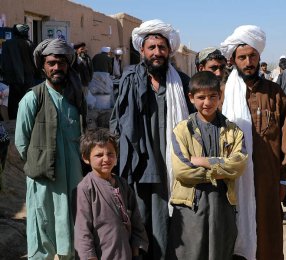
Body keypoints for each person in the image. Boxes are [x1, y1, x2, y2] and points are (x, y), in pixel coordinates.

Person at [109, 19, 195, 260]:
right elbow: (118, 120)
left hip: (173, 165)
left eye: (162, 47)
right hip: (139, 164)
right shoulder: (129, 79)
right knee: (140, 218)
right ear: (142, 50)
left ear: (169, 51)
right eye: (152, 47)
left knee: (170, 221)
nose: (157, 52)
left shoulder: (182, 83)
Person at [220, 25, 286, 260]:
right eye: (242, 57)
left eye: (252, 56)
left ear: (259, 57)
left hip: (268, 182)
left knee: (268, 240)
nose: (248, 61)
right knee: (233, 237)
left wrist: (283, 178)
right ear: (233, 60)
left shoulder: (275, 93)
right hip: (232, 182)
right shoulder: (222, 93)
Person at [15, 38, 87, 259]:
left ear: (68, 66)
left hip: (74, 178)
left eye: (62, 63)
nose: (57, 68)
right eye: (51, 63)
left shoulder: (76, 98)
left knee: (73, 226)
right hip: (44, 178)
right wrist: (41, 160)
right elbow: (21, 143)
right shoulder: (31, 98)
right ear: (43, 66)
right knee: (42, 228)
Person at [167, 71, 248, 260]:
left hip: (222, 203)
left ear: (220, 96)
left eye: (212, 97)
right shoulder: (182, 129)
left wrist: (204, 161)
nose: (207, 102)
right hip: (191, 204)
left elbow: (239, 165)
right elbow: (182, 171)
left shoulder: (232, 130)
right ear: (191, 98)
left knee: (220, 252)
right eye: (201, 97)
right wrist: (221, 166)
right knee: (190, 253)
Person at [75, 128, 149, 260]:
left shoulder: (123, 185)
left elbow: (136, 221)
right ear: (86, 158)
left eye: (110, 154)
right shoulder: (85, 188)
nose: (106, 159)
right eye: (99, 155)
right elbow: (83, 231)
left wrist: (136, 253)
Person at [1, 24, 36, 119]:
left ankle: (14, 122)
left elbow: (4, 62)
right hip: (28, 78)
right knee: (28, 101)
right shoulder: (30, 44)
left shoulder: (8, 44)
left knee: (14, 103)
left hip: (14, 79)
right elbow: (35, 62)